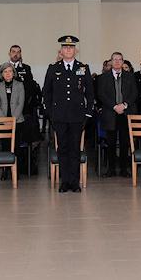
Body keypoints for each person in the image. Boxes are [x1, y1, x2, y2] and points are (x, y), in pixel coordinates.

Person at [42, 35, 94, 193]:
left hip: (78, 116)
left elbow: (90, 93)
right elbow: (46, 92)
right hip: (59, 116)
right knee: (62, 148)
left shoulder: (83, 68)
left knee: (75, 149)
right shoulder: (53, 68)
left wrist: (88, 113)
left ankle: (75, 182)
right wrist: (51, 114)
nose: (68, 50)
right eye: (65, 47)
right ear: (61, 51)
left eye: (71, 47)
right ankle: (65, 181)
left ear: (75, 50)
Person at [98, 52, 137, 178]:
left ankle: (124, 169)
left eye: (119, 59)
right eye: (114, 59)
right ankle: (111, 169)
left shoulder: (130, 76)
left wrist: (124, 105)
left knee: (125, 142)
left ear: (123, 61)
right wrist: (114, 106)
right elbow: (101, 94)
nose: (117, 62)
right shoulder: (103, 77)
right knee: (111, 143)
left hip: (126, 113)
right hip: (110, 113)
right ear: (111, 61)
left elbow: (134, 93)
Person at [0, 62, 26, 178]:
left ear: (14, 73)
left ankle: (15, 171)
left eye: (10, 71)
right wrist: (4, 120)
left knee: (16, 147)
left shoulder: (19, 85)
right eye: (5, 72)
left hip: (17, 121)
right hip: (2, 122)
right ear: (2, 74)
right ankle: (5, 170)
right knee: (5, 146)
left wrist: (12, 119)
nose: (8, 74)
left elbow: (20, 103)